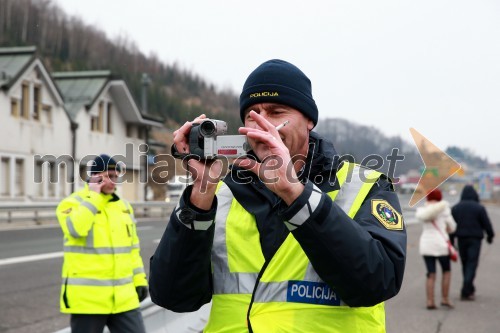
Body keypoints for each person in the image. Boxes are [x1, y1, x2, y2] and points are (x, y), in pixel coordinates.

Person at [149, 59, 407, 332]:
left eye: (275, 112)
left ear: (309, 120)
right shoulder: (220, 193)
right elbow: (172, 296)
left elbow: (378, 282)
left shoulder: (364, 184)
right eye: (252, 114)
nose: (262, 124)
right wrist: (199, 197)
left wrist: (296, 194)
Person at [56, 154, 148, 333]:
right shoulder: (71, 203)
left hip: (124, 299)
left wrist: (139, 281)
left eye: (117, 177)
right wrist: (94, 196)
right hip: (89, 301)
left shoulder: (124, 207)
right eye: (109, 176)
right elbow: (76, 229)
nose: (114, 182)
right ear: (95, 177)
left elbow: (132, 250)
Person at [451, 185, 495, 301]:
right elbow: (487, 224)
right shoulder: (479, 208)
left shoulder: (456, 208)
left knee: (465, 264)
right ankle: (467, 289)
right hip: (475, 239)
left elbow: (451, 226)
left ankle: (468, 287)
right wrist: (490, 236)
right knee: (472, 263)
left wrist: (451, 241)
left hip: (461, 239)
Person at [416, 188, 456, 309]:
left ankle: (430, 301)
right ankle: (444, 298)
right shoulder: (444, 210)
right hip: (441, 244)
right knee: (446, 271)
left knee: (430, 273)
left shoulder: (423, 210)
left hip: (426, 244)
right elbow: (452, 227)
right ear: (440, 198)